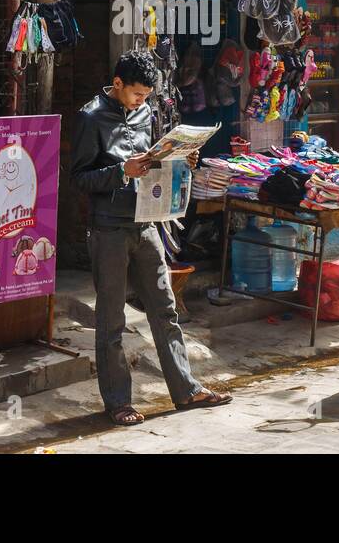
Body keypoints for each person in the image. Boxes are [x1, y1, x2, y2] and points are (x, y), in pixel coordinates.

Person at [70, 49, 232, 426]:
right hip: (108, 228)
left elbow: (151, 160)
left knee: (165, 308)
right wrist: (119, 171)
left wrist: (182, 160)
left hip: (146, 222)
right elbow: (78, 178)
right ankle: (118, 403)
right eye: (136, 94)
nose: (142, 101)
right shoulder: (90, 117)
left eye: (146, 95)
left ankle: (186, 389)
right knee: (111, 320)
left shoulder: (146, 113)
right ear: (118, 84)